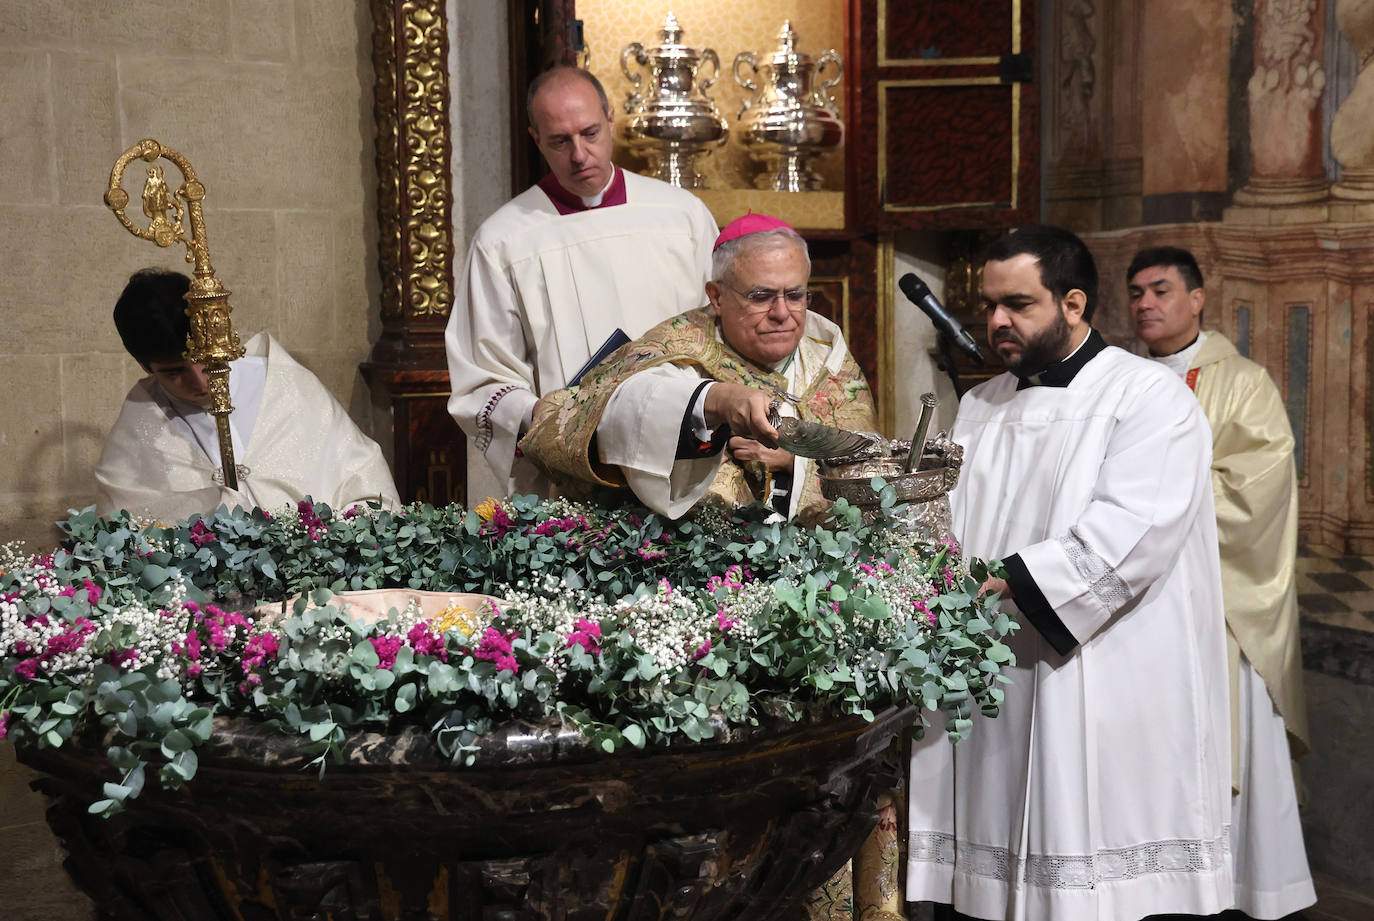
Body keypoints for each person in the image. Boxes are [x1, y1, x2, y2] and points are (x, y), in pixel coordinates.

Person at [905, 226, 1233, 921]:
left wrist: (1017, 581)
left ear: (1074, 303)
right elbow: (945, 519)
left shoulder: (1148, 396)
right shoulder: (981, 405)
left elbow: (1137, 527)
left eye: (1018, 304)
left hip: (1098, 668)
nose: (996, 321)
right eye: (989, 305)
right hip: (991, 672)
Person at [1129, 245, 1315, 920]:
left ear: (1197, 298)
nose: (1145, 304)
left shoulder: (1242, 382)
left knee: (1228, 738)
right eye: (1136, 293)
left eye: (1160, 290)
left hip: (1218, 602)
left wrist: (1145, 498)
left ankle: (1243, 890)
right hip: (1138, 603)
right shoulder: (1120, 379)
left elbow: (1257, 490)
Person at [445, 66, 719, 496]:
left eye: (590, 133)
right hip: (575, 471)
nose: (579, 154)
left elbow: (723, 333)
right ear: (536, 139)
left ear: (611, 120)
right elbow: (483, 377)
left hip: (685, 457)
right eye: (560, 141)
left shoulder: (682, 216)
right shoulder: (504, 240)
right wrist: (548, 417)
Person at [517, 213, 876, 522]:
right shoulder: (675, 349)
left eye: (795, 295)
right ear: (717, 297)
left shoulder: (830, 362)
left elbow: (874, 472)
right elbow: (593, 418)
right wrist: (714, 400)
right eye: (761, 297)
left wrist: (794, 462)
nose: (782, 313)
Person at [95, 268, 400, 522]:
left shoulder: (285, 385)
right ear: (145, 366)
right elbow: (122, 527)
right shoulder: (139, 427)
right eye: (174, 372)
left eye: (205, 360)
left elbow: (363, 476)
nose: (200, 381)